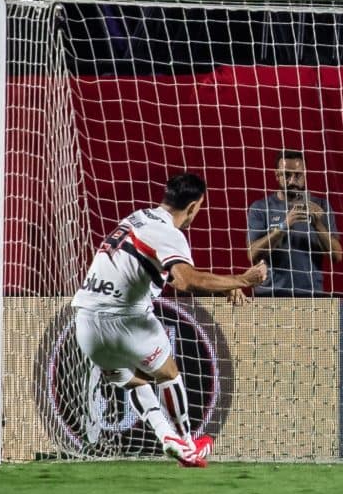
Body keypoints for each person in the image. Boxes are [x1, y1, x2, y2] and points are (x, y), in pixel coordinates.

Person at [73, 173, 270, 467]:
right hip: (124, 319)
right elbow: (187, 280)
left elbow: (173, 280)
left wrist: (225, 286)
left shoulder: (138, 217)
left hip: (85, 323)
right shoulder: (169, 233)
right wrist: (243, 279)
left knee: (134, 381)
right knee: (168, 373)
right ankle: (188, 444)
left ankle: (166, 437)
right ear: (192, 206)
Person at [243, 150, 343, 296]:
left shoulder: (321, 205)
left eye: (297, 175)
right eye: (286, 175)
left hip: (311, 295)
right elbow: (253, 255)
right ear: (277, 175)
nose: (292, 181)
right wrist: (284, 226)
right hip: (270, 295)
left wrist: (317, 225)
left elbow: (337, 256)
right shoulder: (260, 208)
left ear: (305, 175)